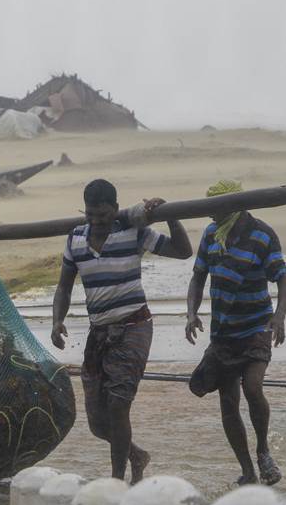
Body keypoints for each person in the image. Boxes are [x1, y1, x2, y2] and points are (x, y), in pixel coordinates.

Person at [51, 179, 192, 483]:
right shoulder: (75, 238)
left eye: (102, 215)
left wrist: (170, 214)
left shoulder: (133, 231)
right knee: (98, 423)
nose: (96, 222)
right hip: (99, 331)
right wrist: (56, 321)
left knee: (118, 404)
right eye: (90, 215)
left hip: (134, 326)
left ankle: (117, 480)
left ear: (115, 209)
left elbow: (182, 251)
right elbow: (63, 286)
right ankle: (136, 455)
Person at [185, 180, 286, 486]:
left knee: (253, 386)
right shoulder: (211, 235)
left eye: (214, 209)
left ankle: (264, 452)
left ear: (234, 206)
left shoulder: (262, 234)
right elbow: (197, 278)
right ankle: (247, 469)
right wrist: (191, 313)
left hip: (256, 326)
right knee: (228, 402)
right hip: (223, 332)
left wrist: (280, 316)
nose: (210, 216)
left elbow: (283, 280)